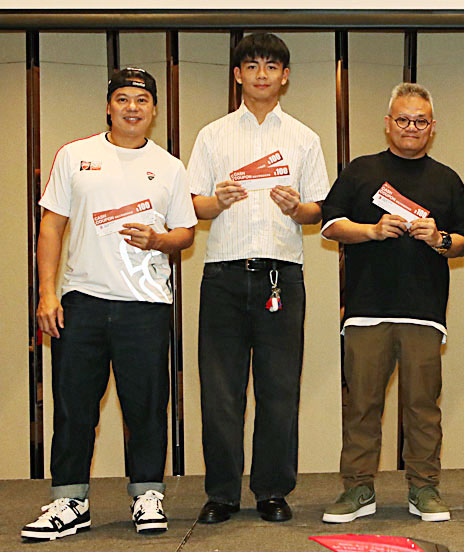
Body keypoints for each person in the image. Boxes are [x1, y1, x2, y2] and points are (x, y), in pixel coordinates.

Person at [22, 68, 197, 541]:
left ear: (154, 110)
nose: (132, 108)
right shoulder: (74, 156)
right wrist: (47, 292)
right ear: (108, 106)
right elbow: (51, 226)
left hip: (145, 304)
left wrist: (159, 240)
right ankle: (69, 501)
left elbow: (185, 232)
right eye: (122, 99)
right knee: (74, 406)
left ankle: (147, 494)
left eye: (141, 100)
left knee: (147, 406)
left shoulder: (169, 166)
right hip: (81, 302)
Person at [187, 32, 330, 524]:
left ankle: (272, 490)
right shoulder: (213, 135)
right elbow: (193, 204)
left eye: (271, 66)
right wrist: (216, 202)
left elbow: (318, 208)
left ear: (285, 76)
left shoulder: (304, 138)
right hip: (223, 275)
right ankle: (222, 493)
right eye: (252, 66)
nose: (262, 74)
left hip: (280, 276)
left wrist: (298, 208)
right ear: (237, 75)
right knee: (220, 391)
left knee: (279, 388)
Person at [320, 83, 464, 523]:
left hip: (424, 312)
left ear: (432, 127)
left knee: (423, 408)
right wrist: (371, 230)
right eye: (403, 119)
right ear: (388, 124)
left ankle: (424, 488)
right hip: (366, 310)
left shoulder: (447, 179)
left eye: (420, 121)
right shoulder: (361, 171)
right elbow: (330, 224)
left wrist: (439, 238)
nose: (411, 128)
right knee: (361, 406)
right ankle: (358, 488)